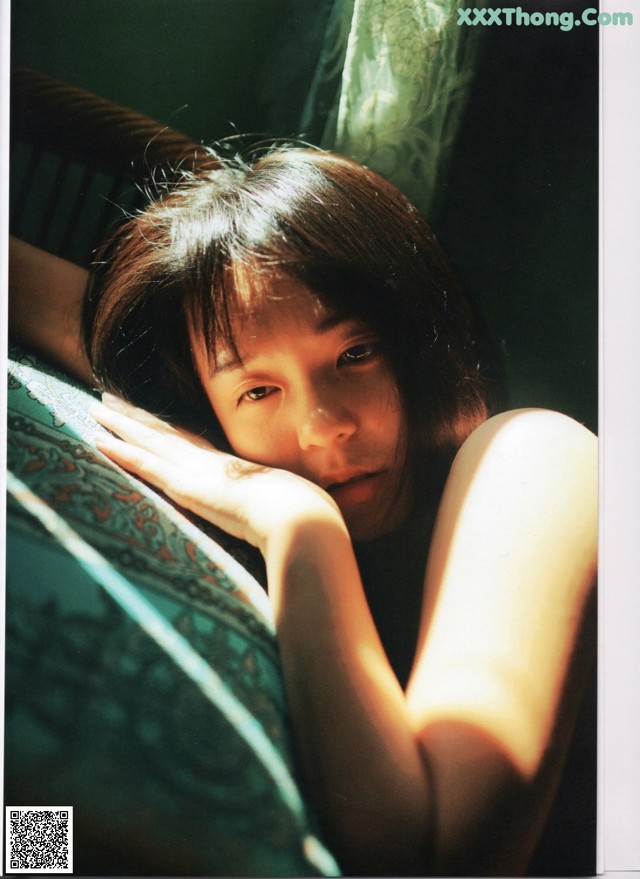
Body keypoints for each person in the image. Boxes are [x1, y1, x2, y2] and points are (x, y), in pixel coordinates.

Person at [9, 146, 598, 876]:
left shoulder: (534, 458)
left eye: (355, 353)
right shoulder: (206, 435)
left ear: (414, 340)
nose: (323, 426)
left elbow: (427, 860)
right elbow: (44, 300)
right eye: (257, 392)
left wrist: (297, 521)